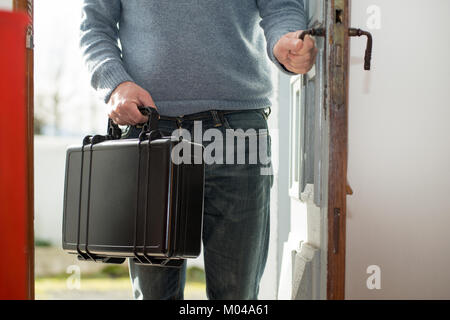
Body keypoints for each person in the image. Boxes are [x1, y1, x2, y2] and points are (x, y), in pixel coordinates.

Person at [80, 0, 316, 300]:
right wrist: (115, 84)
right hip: (152, 133)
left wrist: (286, 38)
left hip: (238, 132)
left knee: (236, 298)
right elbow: (94, 26)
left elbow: (281, 7)